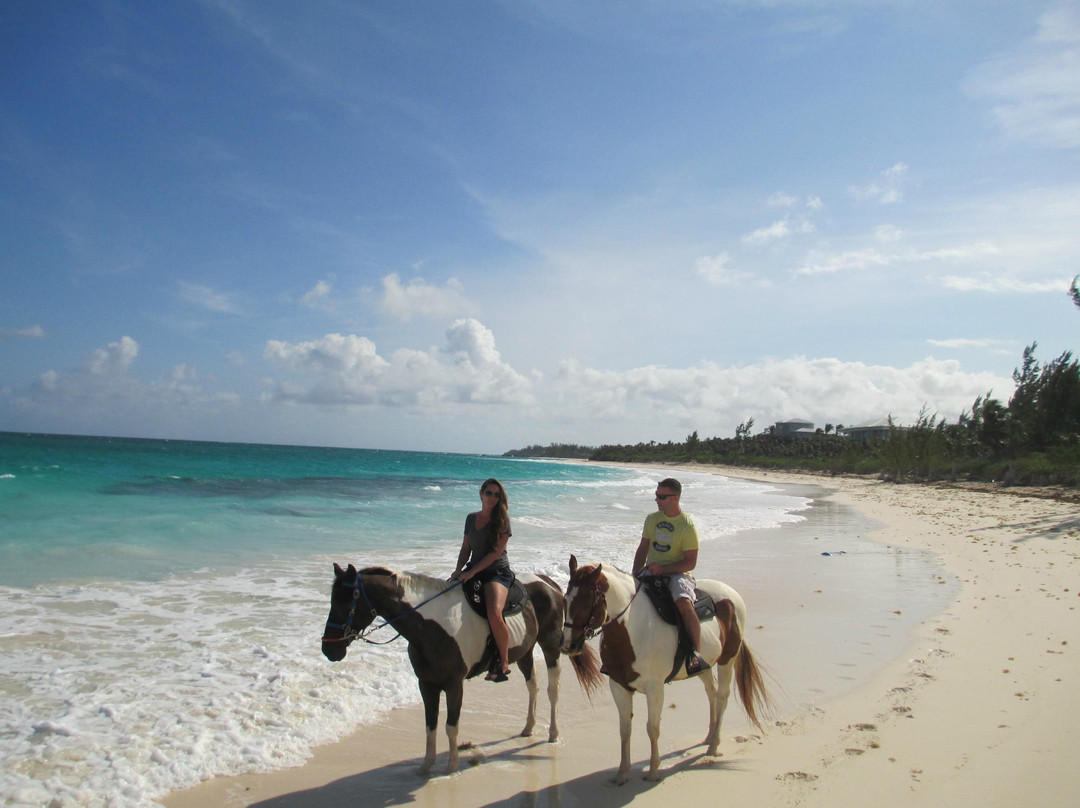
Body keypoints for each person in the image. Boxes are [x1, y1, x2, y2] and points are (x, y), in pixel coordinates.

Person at [632, 477, 709, 676]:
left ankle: (695, 653)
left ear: (675, 498)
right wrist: (635, 574)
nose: (657, 500)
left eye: (662, 496)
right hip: (651, 570)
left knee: (683, 602)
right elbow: (643, 549)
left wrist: (664, 569)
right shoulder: (652, 519)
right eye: (656, 495)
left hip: (678, 575)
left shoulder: (687, 526)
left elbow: (690, 562)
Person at [450, 478, 514, 682]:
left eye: (496, 495)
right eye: (489, 493)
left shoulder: (502, 520)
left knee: (494, 612)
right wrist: (458, 570)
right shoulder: (471, 518)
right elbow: (466, 548)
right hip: (474, 570)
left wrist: (472, 572)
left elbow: (495, 553)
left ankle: (503, 661)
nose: (492, 498)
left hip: (497, 572)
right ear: (481, 494)